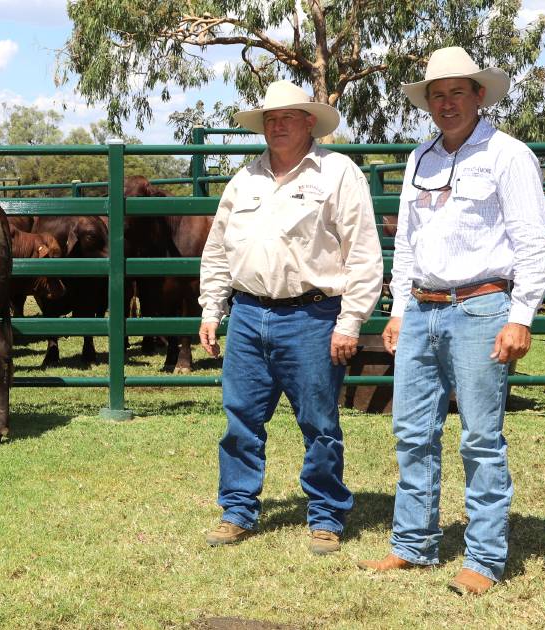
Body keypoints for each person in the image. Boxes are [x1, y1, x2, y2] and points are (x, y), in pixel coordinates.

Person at [357, 47, 545, 595]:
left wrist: (521, 316)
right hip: (422, 307)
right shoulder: (421, 158)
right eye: (436, 95)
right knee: (411, 431)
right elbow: (407, 244)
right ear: (428, 103)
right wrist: (397, 310)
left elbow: (533, 243)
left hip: (482, 307)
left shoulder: (509, 156)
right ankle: (412, 545)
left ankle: (485, 559)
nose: (446, 103)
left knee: (481, 438)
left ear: (479, 96)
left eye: (456, 92)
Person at [197, 81, 383, 555]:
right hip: (246, 313)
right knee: (240, 418)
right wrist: (211, 307)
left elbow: (362, 252)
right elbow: (218, 248)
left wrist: (350, 321)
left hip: (312, 314)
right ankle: (237, 509)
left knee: (319, 421)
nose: (276, 125)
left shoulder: (338, 174)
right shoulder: (244, 180)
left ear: (309, 122)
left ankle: (325, 514)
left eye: (287, 117)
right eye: (269, 119)